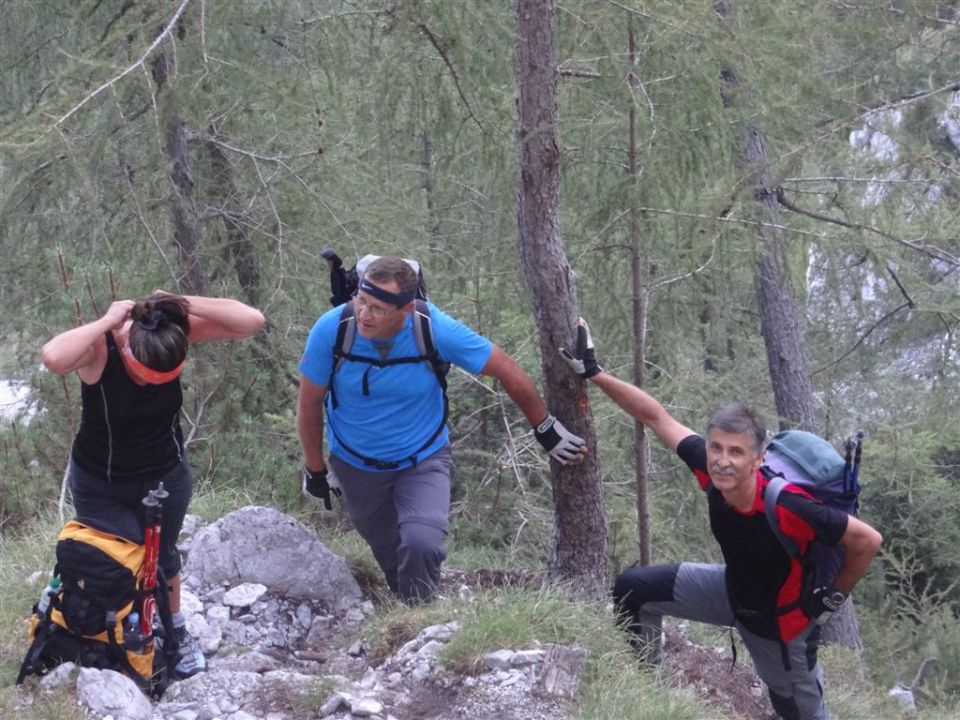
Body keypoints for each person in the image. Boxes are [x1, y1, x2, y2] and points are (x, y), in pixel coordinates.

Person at [559, 319, 882, 720]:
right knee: (632, 591)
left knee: (797, 711)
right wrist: (595, 373)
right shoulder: (710, 470)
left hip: (779, 625)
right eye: (716, 448)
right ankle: (653, 701)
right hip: (730, 592)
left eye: (735, 452)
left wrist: (830, 600)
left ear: (758, 459)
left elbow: (867, 541)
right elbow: (657, 417)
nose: (723, 461)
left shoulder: (788, 506)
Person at [297, 256, 586, 604]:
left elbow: (507, 369)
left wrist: (545, 428)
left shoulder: (431, 327)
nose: (363, 314)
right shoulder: (332, 330)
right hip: (356, 466)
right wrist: (315, 469)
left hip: (423, 459)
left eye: (377, 308)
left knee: (421, 543)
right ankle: (407, 610)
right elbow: (309, 404)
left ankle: (419, 617)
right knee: (390, 553)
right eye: (360, 300)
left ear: (405, 310)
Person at [41, 291, 265, 679]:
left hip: (164, 472)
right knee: (112, 558)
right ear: (127, 350)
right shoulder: (102, 347)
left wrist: (176, 301)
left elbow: (251, 321)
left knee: (161, 559)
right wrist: (107, 321)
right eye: (143, 377)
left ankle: (174, 631)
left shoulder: (167, 332)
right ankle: (104, 628)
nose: (149, 386)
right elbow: (53, 358)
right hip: (101, 479)